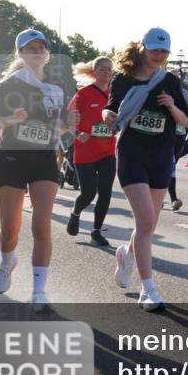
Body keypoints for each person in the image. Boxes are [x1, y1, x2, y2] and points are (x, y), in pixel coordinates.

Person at [102, 28, 188, 311]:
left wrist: (172, 105)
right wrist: (107, 115)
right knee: (144, 221)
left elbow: (186, 122)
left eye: (164, 51)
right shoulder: (123, 79)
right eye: (154, 49)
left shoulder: (171, 81)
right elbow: (110, 110)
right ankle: (148, 288)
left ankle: (127, 254)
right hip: (132, 153)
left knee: (149, 224)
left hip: (162, 155)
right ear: (142, 48)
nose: (159, 55)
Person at [0, 29, 72, 309]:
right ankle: (8, 260)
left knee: (41, 225)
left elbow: (58, 127)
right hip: (12, 159)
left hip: (44, 159)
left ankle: (38, 292)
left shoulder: (57, 86)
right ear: (21, 53)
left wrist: (69, 124)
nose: (37, 52)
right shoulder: (10, 84)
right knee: (10, 230)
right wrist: (12, 118)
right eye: (31, 48)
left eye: (41, 47)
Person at [66, 56, 117, 247]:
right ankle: (75, 213)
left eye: (109, 69)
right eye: (102, 69)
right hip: (85, 151)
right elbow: (69, 119)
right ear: (94, 72)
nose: (106, 72)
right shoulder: (83, 94)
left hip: (107, 152)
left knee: (105, 193)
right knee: (88, 193)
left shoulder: (115, 95)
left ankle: (96, 231)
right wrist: (77, 133)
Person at [167, 70, 188, 212]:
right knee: (169, 167)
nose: (175, 80)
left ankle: (156, 195)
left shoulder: (184, 93)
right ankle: (173, 199)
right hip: (164, 135)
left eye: (177, 78)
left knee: (168, 167)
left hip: (180, 135)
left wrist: (186, 112)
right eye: (172, 77)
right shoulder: (161, 91)